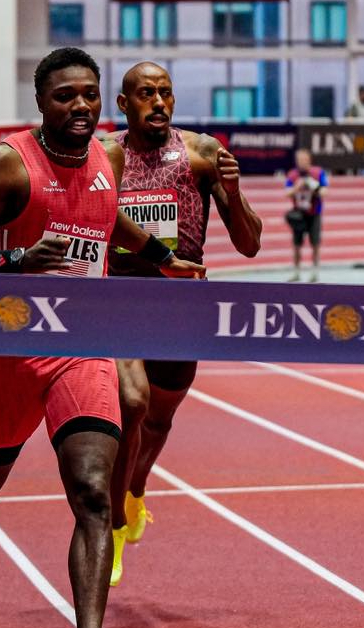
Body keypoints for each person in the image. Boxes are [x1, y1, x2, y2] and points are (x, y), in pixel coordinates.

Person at [0, 47, 203, 628]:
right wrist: (17, 262)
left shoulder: (109, 157)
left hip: (84, 349)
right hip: (13, 354)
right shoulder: (7, 165)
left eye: (88, 94)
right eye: (64, 96)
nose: (79, 106)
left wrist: (163, 257)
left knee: (91, 493)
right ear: (41, 102)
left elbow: (114, 221)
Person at [105, 62, 262, 587]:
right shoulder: (106, 155)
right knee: (131, 406)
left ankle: (135, 491)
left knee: (158, 420)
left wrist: (233, 191)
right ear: (124, 104)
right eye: (146, 93)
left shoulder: (201, 153)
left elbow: (249, 244)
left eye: (166, 93)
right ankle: (113, 524)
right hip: (120, 301)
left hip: (180, 307)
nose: (158, 102)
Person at [285, 147, 326, 283]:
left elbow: (325, 192)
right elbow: (287, 193)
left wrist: (314, 187)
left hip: (314, 214)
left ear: (309, 160)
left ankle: (314, 272)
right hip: (299, 214)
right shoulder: (293, 175)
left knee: (315, 244)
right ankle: (296, 272)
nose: (302, 162)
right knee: (297, 245)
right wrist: (297, 187)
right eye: (299, 159)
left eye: (304, 159)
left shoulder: (317, 173)